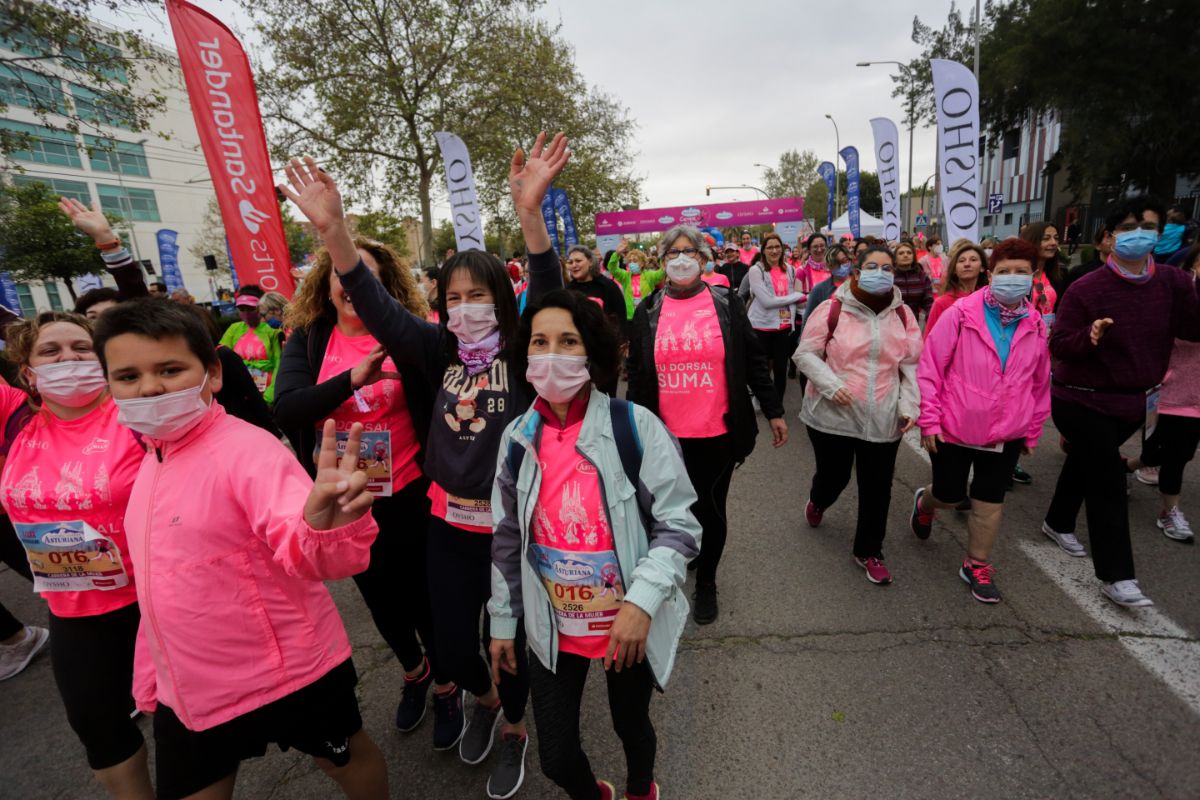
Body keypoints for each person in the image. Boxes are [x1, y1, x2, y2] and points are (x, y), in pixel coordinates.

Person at [280, 134, 571, 798]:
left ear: (503, 298)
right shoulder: (434, 349)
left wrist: (531, 215)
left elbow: (550, 290)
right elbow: (374, 303)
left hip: (513, 530)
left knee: (508, 643)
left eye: (480, 294)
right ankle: (483, 699)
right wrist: (335, 233)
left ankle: (515, 726)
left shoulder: (529, 352)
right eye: (455, 295)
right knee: (455, 645)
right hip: (447, 523)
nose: (466, 305)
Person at [93, 299, 389, 800]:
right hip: (191, 685)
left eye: (169, 370)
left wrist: (325, 527)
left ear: (211, 373)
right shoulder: (151, 454)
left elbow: (308, 547)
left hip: (291, 671)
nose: (148, 388)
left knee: (346, 759)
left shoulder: (247, 450)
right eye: (127, 376)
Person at [490, 288, 701, 800]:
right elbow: (506, 541)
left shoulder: (637, 428)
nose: (552, 354)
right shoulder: (517, 439)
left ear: (593, 352)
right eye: (540, 342)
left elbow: (679, 525)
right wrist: (502, 621)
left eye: (568, 341)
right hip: (550, 627)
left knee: (632, 729)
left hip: (622, 629)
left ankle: (637, 789)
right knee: (556, 758)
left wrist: (641, 603)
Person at [273, 235, 446, 741]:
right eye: (344, 275)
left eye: (365, 276)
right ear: (325, 285)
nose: (352, 285)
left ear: (383, 286)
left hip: (411, 489)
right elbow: (287, 409)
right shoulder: (308, 337)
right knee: (380, 599)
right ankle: (416, 672)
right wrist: (350, 379)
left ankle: (448, 683)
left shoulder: (409, 335)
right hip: (346, 502)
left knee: (424, 596)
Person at [0, 311, 153, 798]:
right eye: (51, 351)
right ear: (28, 372)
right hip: (72, 608)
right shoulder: (17, 420)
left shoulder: (137, 413)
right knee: (99, 730)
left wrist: (112, 250)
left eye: (82, 349)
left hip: (153, 601)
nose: (68, 359)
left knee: (188, 726)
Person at [1040, 196, 1200, 607]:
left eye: (1148, 226)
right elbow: (1059, 344)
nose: (1139, 234)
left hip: (1137, 402)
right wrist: (1089, 336)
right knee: (1107, 478)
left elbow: (1192, 329)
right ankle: (1117, 576)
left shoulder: (1174, 283)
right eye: (1129, 227)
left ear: (1160, 235)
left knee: (1087, 462)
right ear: (1110, 236)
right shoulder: (1086, 286)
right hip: (1081, 399)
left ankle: (1057, 521)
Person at [626, 224, 787, 624]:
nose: (681, 259)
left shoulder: (726, 303)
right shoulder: (647, 310)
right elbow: (637, 372)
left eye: (689, 252)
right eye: (672, 253)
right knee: (666, 511)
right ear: (661, 261)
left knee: (710, 510)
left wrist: (774, 411)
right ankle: (672, 565)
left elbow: (752, 360)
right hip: (665, 438)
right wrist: (630, 429)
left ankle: (707, 583)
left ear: (702, 259)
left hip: (717, 434)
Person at [910, 237, 1050, 603]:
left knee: (989, 502)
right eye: (1005, 271)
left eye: (1022, 272)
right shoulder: (960, 313)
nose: (1013, 278)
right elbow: (930, 369)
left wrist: (1032, 430)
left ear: (1033, 277)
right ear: (991, 274)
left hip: (1006, 433)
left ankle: (976, 564)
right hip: (955, 428)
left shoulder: (1035, 323)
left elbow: (1040, 380)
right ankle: (925, 503)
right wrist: (930, 420)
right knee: (950, 494)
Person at [794, 244, 922, 586]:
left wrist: (909, 405)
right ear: (856, 272)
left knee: (877, 487)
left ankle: (869, 550)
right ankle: (819, 500)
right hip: (832, 415)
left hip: (882, 416)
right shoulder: (831, 308)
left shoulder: (904, 316)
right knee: (834, 477)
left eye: (887, 268)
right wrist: (830, 385)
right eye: (873, 266)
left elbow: (910, 367)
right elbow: (805, 354)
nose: (881, 273)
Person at [1122, 243, 1200, 543]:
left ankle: (1168, 509)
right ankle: (1129, 468)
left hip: (1196, 397)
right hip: (1166, 392)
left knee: (1179, 456)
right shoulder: (1175, 302)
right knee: (1156, 452)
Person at [184, 306, 282, 437]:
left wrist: (271, 429)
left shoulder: (223, 355)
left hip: (242, 425)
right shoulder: (193, 360)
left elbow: (251, 393)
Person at [745, 233, 805, 400]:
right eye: (770, 247)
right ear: (763, 251)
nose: (774, 250)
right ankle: (759, 397)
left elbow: (795, 299)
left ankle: (777, 405)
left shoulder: (791, 269)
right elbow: (766, 302)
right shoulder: (756, 270)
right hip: (761, 326)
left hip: (783, 327)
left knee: (780, 370)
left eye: (777, 247)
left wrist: (793, 320)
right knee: (762, 368)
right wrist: (797, 296)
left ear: (783, 249)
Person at [219, 286, 283, 403]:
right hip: (241, 394)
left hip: (268, 396)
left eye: (250, 308)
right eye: (242, 309)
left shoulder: (273, 331)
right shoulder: (234, 329)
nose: (246, 313)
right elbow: (222, 359)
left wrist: (270, 397)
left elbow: (280, 364)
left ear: (261, 308)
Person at [924, 239, 989, 336]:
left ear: (982, 267)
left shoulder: (989, 300)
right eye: (961, 261)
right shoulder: (941, 303)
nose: (967, 264)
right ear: (954, 269)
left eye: (973, 260)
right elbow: (930, 344)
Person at [564, 245, 627, 340]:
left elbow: (620, 317)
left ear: (590, 262)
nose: (574, 265)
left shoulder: (608, 286)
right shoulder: (568, 290)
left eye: (578, 261)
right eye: (570, 262)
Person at [1019, 221, 1066, 325]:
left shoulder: (1059, 274)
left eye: (1056, 238)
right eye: (1046, 238)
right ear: (1031, 241)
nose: (1053, 243)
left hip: (1048, 337)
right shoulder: (1017, 275)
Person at [800, 243, 853, 328]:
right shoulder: (819, 289)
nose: (841, 266)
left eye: (844, 261)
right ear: (829, 265)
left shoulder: (859, 284)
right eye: (836, 263)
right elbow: (808, 320)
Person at [607, 243, 665, 320]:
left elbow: (662, 272)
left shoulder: (650, 275)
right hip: (631, 317)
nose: (631, 263)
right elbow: (612, 268)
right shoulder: (625, 276)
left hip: (647, 315)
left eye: (635, 261)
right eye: (630, 261)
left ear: (642, 263)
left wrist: (661, 255)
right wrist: (616, 254)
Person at [893, 240, 934, 321]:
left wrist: (931, 319)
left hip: (914, 322)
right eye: (901, 253)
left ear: (913, 256)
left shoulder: (922, 276)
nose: (905, 255)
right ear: (895, 258)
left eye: (909, 253)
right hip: (892, 323)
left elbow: (928, 301)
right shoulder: (890, 277)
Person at [1063, 226, 1114, 292]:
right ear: (1097, 245)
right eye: (1109, 236)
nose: (1114, 240)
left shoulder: (1128, 274)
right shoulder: (1079, 273)